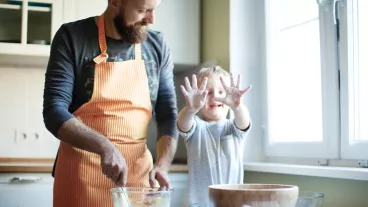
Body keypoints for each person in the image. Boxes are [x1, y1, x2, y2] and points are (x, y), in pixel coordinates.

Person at [42, 0, 178, 206]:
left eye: (154, 10)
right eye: (142, 10)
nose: (151, 19)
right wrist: (105, 147)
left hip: (138, 181)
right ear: (115, 2)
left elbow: (168, 113)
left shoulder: (157, 45)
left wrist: (163, 164)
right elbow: (54, 111)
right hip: (80, 178)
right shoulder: (72, 37)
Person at [177, 66, 252, 206]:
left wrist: (237, 107)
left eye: (221, 92)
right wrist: (190, 109)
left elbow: (244, 121)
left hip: (233, 203)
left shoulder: (234, 128)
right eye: (207, 92)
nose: (214, 97)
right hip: (198, 203)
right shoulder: (196, 127)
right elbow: (183, 124)